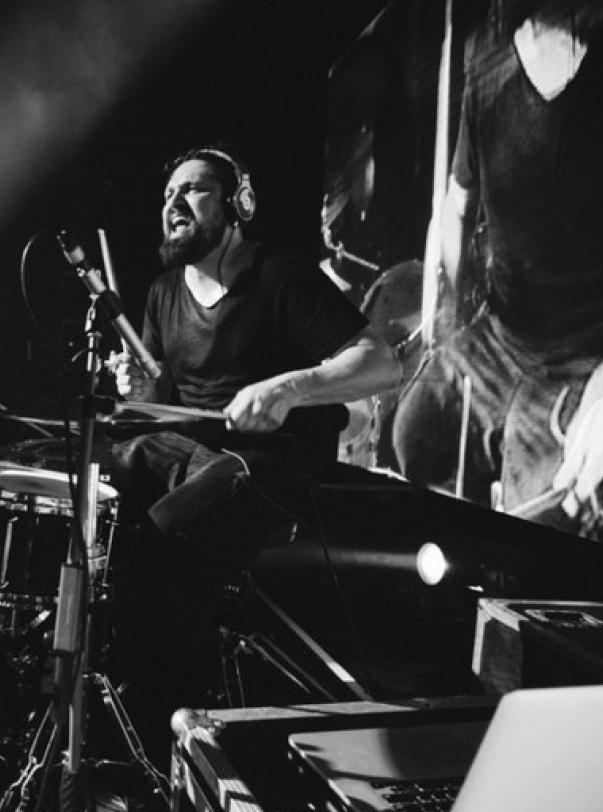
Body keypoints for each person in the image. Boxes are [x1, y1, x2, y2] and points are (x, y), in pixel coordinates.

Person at [104, 146, 399, 730]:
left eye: (194, 190)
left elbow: (381, 363)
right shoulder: (164, 291)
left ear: (238, 204)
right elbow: (161, 396)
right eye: (168, 194)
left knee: (167, 534)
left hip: (269, 465)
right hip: (187, 454)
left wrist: (289, 387)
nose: (174, 203)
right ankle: (102, 682)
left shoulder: (283, 277)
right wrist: (139, 385)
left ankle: (168, 721)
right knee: (96, 483)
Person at [392, 0, 603, 554]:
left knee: (536, 538)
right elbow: (456, 205)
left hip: (599, 355)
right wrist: (450, 317)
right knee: (416, 433)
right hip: (500, 339)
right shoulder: (487, 66)